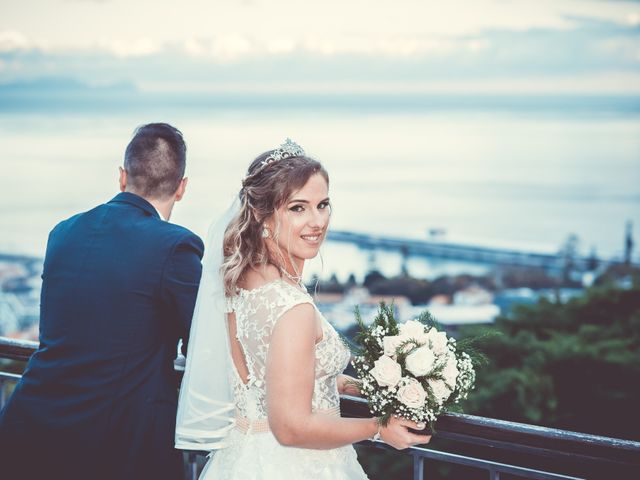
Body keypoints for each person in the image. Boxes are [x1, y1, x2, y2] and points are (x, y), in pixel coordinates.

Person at [175, 139, 430, 479]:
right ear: (261, 214)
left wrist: (373, 385)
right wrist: (379, 428)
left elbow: (278, 378)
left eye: (322, 205)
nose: (317, 222)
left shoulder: (241, 281)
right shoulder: (291, 307)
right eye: (298, 208)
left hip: (243, 458)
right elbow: (291, 428)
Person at [0, 123, 204, 480]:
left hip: (30, 425)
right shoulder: (176, 247)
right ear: (182, 187)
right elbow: (202, 342)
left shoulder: (63, 231)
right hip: (118, 446)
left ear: (122, 177)